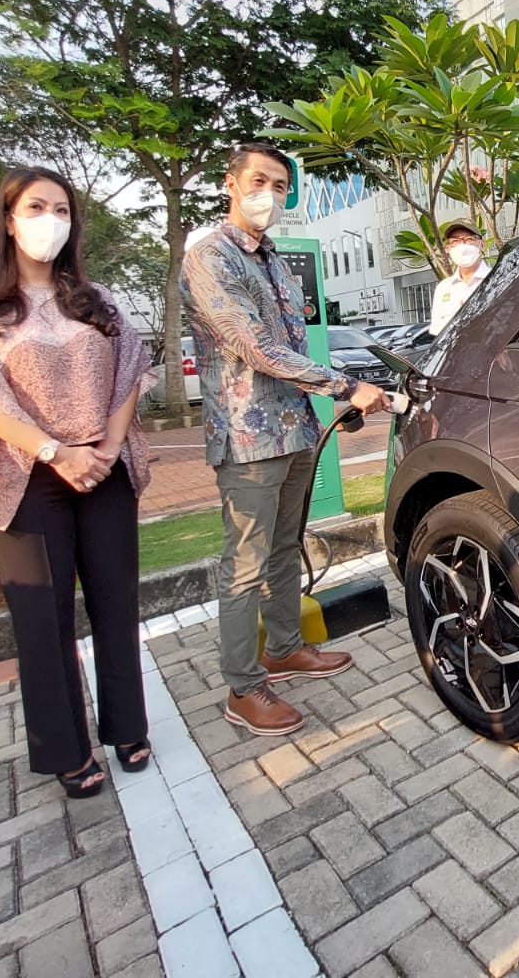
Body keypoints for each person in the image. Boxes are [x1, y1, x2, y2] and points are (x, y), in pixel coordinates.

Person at [0, 166, 155, 798]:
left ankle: (128, 726)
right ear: (9, 219)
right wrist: (57, 452)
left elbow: (129, 370)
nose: (50, 219)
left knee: (116, 604)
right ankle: (64, 747)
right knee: (43, 619)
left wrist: (108, 447)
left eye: (61, 208)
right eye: (36, 207)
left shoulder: (96, 299)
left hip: (104, 470)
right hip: (24, 476)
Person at [181, 143, 387, 736]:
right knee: (243, 566)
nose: (268, 193)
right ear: (230, 183)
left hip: (294, 428)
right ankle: (243, 687)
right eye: (258, 180)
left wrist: (328, 393)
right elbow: (255, 348)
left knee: (283, 548)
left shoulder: (274, 259)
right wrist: (344, 385)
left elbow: (292, 345)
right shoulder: (210, 257)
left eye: (278, 184)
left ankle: (286, 648)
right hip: (247, 439)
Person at [428, 219, 490, 336]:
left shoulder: (497, 279)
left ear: (482, 244)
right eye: (455, 241)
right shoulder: (443, 289)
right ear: (448, 248)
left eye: (469, 239)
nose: (462, 245)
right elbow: (437, 333)